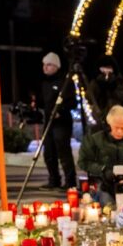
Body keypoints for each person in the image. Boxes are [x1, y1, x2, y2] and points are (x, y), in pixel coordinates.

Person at [78, 105, 123, 206]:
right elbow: (83, 162)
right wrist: (103, 170)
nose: (120, 131)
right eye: (116, 127)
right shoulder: (94, 137)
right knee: (108, 206)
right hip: (103, 183)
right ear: (109, 124)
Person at [39, 52, 77, 191]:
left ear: (56, 66)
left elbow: (72, 102)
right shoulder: (45, 83)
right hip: (48, 122)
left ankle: (70, 182)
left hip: (62, 123)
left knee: (63, 152)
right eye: (44, 64)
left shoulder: (65, 82)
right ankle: (54, 180)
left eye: (49, 64)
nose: (45, 67)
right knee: (49, 152)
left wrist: (60, 111)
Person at [87, 55, 123, 129]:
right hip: (101, 120)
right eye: (103, 68)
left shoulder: (120, 82)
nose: (106, 71)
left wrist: (113, 86)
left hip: (119, 118)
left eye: (109, 68)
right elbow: (89, 98)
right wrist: (100, 84)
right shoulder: (95, 83)